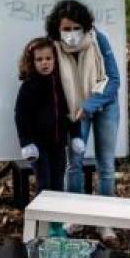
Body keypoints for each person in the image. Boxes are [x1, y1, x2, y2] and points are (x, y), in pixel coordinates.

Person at [45, 0, 121, 245]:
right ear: (57, 29)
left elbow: (113, 79)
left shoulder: (99, 41)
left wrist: (90, 105)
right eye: (65, 29)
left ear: (85, 26)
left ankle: (104, 221)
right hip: (73, 112)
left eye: (75, 27)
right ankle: (75, 217)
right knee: (74, 163)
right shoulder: (53, 48)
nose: (71, 34)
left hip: (104, 105)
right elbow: (51, 84)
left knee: (106, 165)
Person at [15, 37, 79, 195]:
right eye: (39, 59)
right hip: (38, 146)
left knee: (58, 183)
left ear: (56, 60)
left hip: (58, 144)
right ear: (32, 62)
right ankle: (42, 220)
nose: (45, 63)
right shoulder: (29, 86)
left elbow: (71, 111)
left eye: (48, 58)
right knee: (44, 183)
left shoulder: (62, 84)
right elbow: (20, 116)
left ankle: (56, 220)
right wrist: (26, 142)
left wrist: (76, 135)